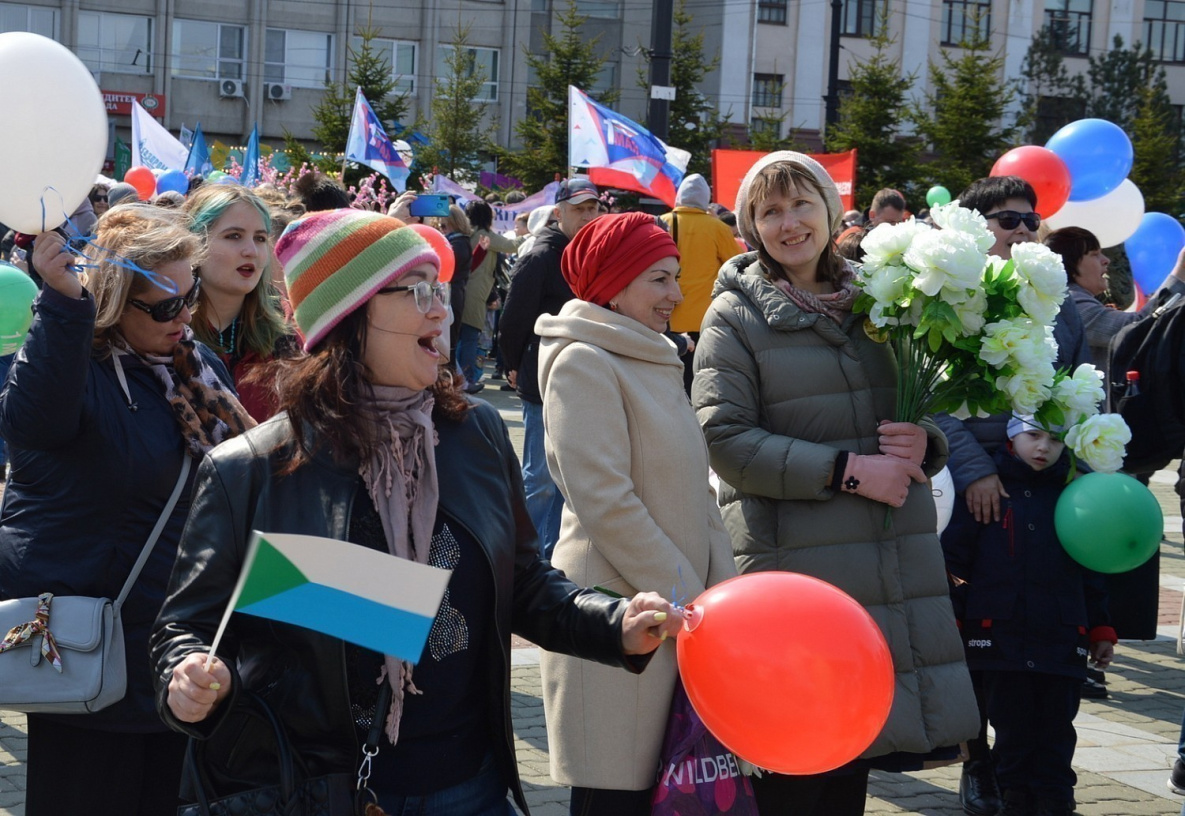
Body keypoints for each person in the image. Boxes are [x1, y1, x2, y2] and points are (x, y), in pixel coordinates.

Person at [149, 208, 682, 815]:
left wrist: (614, 623)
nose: (442, 312)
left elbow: (525, 583)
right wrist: (189, 678)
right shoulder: (250, 470)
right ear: (350, 317)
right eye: (418, 291)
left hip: (469, 785)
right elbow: (185, 627)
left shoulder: (476, 432)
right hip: (320, 790)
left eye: (442, 291)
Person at [692, 151, 978, 815]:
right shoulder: (734, 316)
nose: (789, 222)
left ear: (828, 209)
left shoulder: (885, 301)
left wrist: (925, 440)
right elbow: (723, 440)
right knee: (795, 763)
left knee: (854, 759)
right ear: (751, 228)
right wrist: (847, 471)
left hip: (886, 567)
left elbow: (918, 408)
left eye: (801, 204)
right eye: (770, 211)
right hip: (796, 574)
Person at [0, 204, 253, 815]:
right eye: (165, 306)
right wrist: (64, 303)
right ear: (115, 301)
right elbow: (29, 422)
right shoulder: (74, 369)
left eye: (190, 297)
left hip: (180, 649)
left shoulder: (198, 366)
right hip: (93, 652)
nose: (184, 316)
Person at [536, 213, 737, 815]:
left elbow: (700, 493)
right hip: (620, 614)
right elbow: (605, 501)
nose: (676, 294)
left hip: (679, 614)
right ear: (613, 285)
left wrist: (723, 601)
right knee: (613, 797)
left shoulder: (653, 355)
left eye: (676, 277)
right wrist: (691, 602)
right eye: (659, 279)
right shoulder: (583, 361)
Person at [933, 175, 1093, 816]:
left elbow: (1079, 395)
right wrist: (976, 469)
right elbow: (928, 402)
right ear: (978, 229)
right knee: (972, 639)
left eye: (1032, 220)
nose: (1024, 230)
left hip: (1038, 486)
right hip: (965, 487)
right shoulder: (949, 296)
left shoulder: (1060, 304)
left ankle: (1034, 772)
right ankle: (979, 763)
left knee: (1033, 633)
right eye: (1009, 220)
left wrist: (1071, 471)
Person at [941, 416, 1116, 816]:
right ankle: (1014, 799)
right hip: (1000, 638)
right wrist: (954, 619)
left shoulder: (1074, 494)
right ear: (1011, 436)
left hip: (1061, 636)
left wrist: (1101, 626)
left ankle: (1056, 801)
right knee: (1013, 733)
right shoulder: (986, 491)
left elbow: (1093, 566)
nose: (1043, 447)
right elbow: (956, 560)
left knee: (1057, 732)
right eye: (1033, 436)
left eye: (1055, 440)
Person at [499, 176, 600, 558]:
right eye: (579, 209)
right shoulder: (542, 254)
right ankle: (524, 559)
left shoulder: (588, 251)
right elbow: (514, 317)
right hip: (541, 379)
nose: (587, 215)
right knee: (541, 479)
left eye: (592, 208)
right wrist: (511, 363)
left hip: (577, 379)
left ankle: (550, 557)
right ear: (559, 213)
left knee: (564, 480)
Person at [184, 185, 295, 421]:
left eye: (260, 238)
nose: (251, 251)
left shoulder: (286, 334)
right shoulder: (164, 329)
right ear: (195, 243)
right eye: (234, 236)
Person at [1045, 227, 1185, 385]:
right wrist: (1181, 270)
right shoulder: (1072, 303)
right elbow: (1137, 328)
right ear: (1069, 263)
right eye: (1094, 254)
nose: (1106, 260)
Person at [660, 174, 741, 394]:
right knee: (700, 381)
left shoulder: (661, 222)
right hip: (705, 319)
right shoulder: (717, 228)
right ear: (705, 198)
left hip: (664, 316)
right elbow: (736, 265)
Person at [458, 199, 522, 391]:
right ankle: (467, 381)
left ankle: (459, 379)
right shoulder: (485, 235)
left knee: (460, 338)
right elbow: (511, 245)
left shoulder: (465, 234)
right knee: (470, 338)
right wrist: (533, 233)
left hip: (462, 290)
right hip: (476, 293)